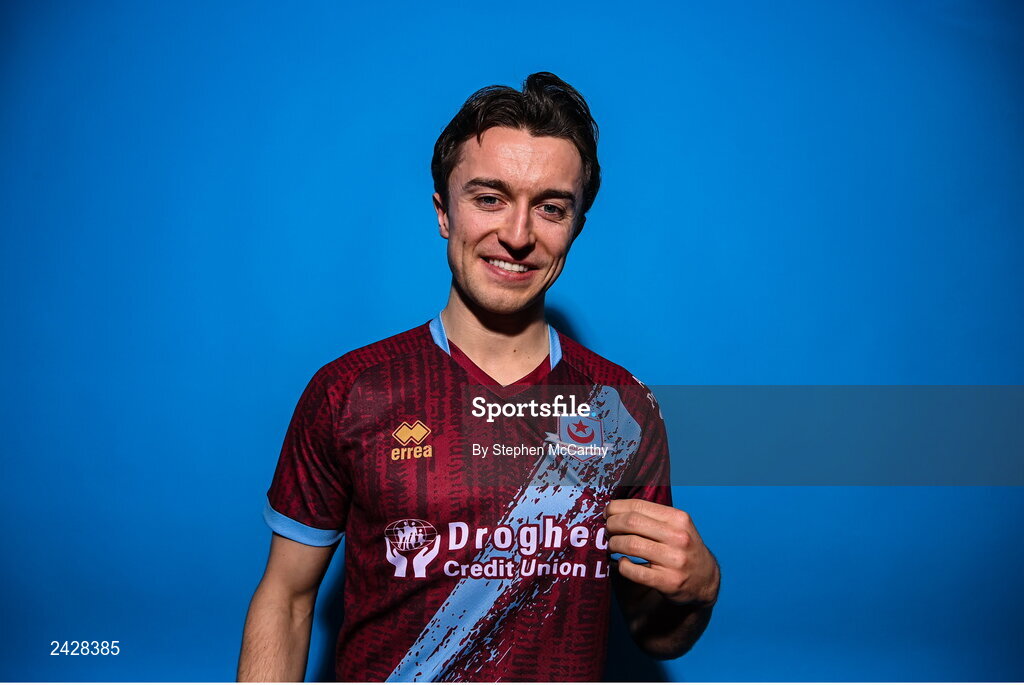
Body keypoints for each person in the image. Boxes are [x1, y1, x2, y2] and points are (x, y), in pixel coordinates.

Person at [237, 72, 720, 682]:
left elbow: (656, 635)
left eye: (550, 207)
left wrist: (698, 588)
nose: (517, 236)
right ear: (443, 211)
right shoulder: (349, 391)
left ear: (576, 227)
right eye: (489, 198)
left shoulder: (619, 408)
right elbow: (287, 599)